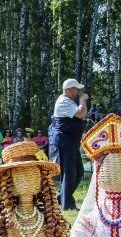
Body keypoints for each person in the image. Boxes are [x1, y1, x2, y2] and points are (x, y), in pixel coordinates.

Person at [50, 78, 89, 210]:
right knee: (69, 172)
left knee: (78, 172)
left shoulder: (68, 101)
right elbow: (82, 114)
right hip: (65, 141)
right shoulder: (64, 102)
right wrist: (83, 100)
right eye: (77, 89)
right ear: (69, 90)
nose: (79, 92)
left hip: (70, 141)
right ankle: (67, 204)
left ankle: (63, 199)